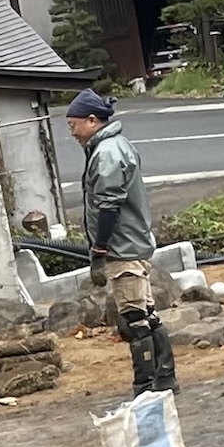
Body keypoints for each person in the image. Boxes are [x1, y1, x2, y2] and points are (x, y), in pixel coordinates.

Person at [67, 90, 171, 396]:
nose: (72, 132)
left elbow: (108, 205)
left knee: (135, 319)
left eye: (74, 124)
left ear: (91, 120)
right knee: (147, 313)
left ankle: (146, 385)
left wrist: (99, 250)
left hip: (122, 246)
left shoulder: (108, 153)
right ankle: (164, 377)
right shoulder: (114, 146)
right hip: (133, 241)